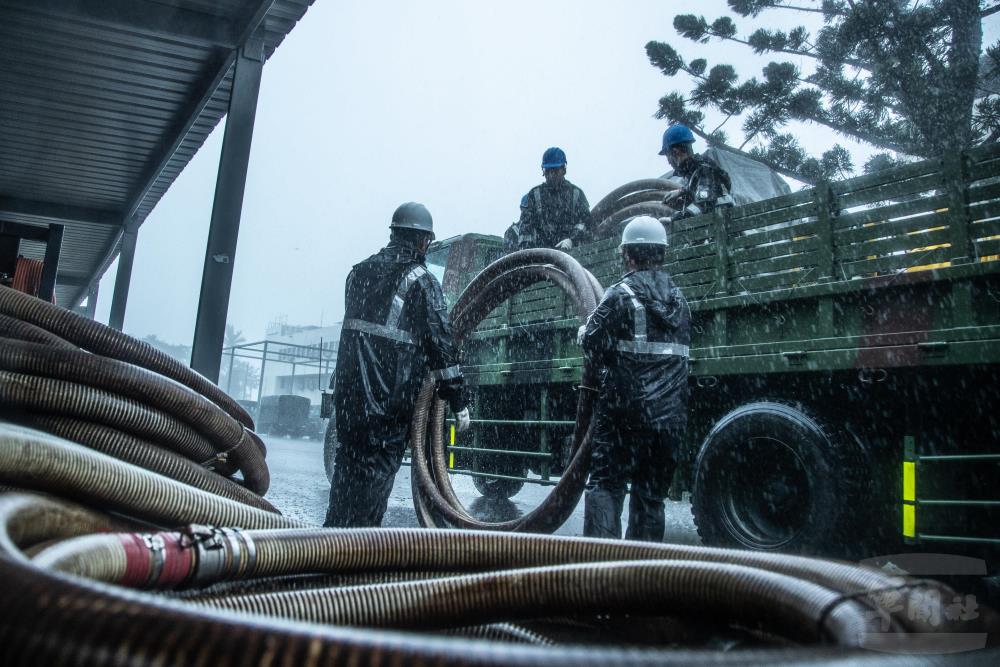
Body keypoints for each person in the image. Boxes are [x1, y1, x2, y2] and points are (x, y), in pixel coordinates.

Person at [325, 202, 471, 527]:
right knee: (372, 485)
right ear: (424, 241)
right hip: (388, 406)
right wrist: (459, 400)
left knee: (346, 474)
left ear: (394, 233)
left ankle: (330, 546)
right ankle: (356, 556)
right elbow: (442, 346)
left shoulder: (357, 272)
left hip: (350, 401)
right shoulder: (422, 282)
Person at [580, 215, 690, 541]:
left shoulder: (620, 293)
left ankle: (600, 570)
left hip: (625, 414)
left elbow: (592, 343)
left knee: (606, 485)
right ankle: (642, 573)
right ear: (662, 254)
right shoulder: (681, 301)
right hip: (669, 419)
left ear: (627, 254)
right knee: (651, 496)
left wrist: (585, 332)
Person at [505, 147, 593, 251]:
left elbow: (586, 223)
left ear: (564, 170)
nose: (551, 175)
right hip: (540, 258)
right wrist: (528, 253)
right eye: (547, 171)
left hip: (572, 256)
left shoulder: (576, 194)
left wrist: (572, 240)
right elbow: (526, 230)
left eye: (555, 171)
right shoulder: (534, 195)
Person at [659, 124, 734, 221]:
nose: (669, 162)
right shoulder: (696, 173)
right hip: (718, 225)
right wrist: (683, 193)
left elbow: (704, 204)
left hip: (722, 228)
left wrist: (674, 219)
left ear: (676, 152)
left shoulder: (705, 169)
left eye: (668, 156)